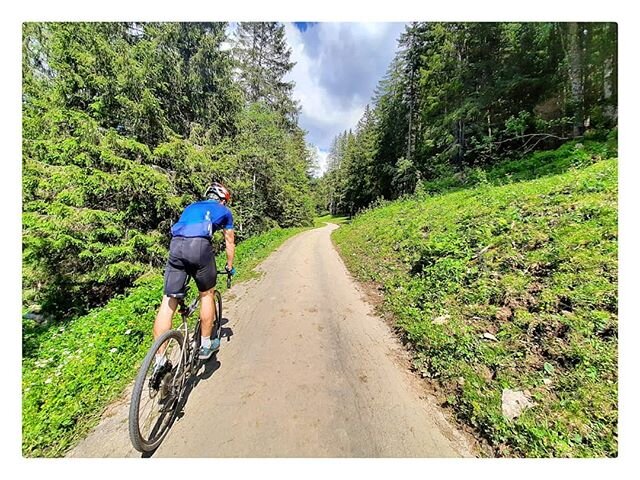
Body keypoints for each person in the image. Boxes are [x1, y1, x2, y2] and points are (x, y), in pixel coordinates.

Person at [153, 181, 236, 375]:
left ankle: (159, 359)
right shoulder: (224, 211)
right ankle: (206, 344)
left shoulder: (191, 206)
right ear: (223, 199)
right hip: (199, 247)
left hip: (176, 246)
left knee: (168, 300)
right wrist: (229, 266)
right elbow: (229, 241)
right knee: (207, 294)